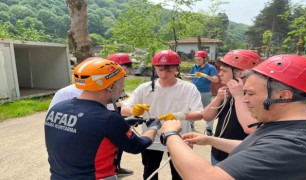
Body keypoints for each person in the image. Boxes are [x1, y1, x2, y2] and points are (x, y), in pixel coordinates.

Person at [160, 54, 306, 180]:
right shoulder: (286, 126)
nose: (245, 99)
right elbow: (256, 147)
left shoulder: (295, 144)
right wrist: (210, 140)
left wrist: (170, 134)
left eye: (250, 93)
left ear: (283, 96)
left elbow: (204, 177)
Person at [45, 58, 160, 180]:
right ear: (111, 85)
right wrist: (153, 127)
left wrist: (123, 123)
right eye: (121, 83)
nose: (122, 89)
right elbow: (138, 146)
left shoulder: (57, 108)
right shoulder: (109, 119)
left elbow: (85, 132)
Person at [121, 50, 203, 180]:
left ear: (177, 68)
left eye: (169, 70)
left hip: (178, 138)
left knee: (179, 174)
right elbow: (124, 109)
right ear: (154, 68)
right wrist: (133, 111)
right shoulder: (144, 88)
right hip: (151, 138)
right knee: (150, 172)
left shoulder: (188, 88)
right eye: (160, 69)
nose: (164, 74)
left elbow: (199, 114)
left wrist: (179, 115)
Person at [202, 49, 262, 164]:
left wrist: (239, 97)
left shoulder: (257, 97)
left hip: (240, 159)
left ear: (240, 74)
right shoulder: (227, 92)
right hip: (217, 153)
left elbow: (251, 128)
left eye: (224, 71)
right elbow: (206, 117)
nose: (219, 74)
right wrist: (219, 98)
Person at [185, 51, 219, 135]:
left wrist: (205, 75)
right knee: (191, 109)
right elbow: (191, 77)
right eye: (196, 59)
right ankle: (191, 125)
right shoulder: (195, 66)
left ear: (205, 59)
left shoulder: (211, 68)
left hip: (205, 92)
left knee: (208, 110)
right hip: (193, 92)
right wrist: (179, 75)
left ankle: (209, 129)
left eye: (199, 60)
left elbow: (216, 79)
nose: (197, 61)